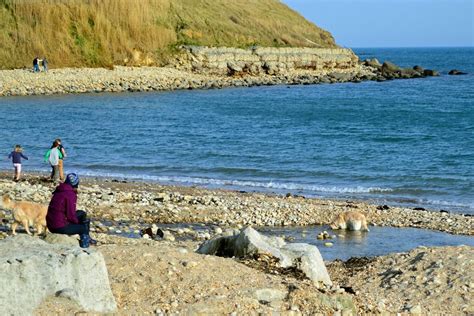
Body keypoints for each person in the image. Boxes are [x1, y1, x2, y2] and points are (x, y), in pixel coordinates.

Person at [46, 173, 96, 248]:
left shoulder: (59, 189)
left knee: (82, 213)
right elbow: (70, 215)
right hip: (59, 226)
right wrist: (77, 224)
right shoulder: (70, 194)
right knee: (83, 228)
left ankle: (87, 237)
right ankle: (85, 245)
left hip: (50, 224)